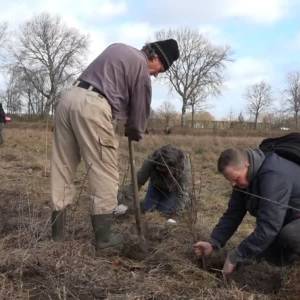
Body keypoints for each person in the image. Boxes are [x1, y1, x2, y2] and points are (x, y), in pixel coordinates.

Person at [51, 39, 180, 252]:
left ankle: (57, 236)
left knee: (62, 167)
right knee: (105, 172)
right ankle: (104, 238)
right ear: (156, 57)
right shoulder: (140, 65)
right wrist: (135, 130)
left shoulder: (117, 48)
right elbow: (140, 107)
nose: (156, 74)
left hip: (67, 99)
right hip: (92, 106)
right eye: (161, 69)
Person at [194, 147, 300, 276]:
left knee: (289, 236)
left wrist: (237, 255)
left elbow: (269, 226)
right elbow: (233, 214)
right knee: (260, 255)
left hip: (293, 221)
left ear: (247, 164)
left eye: (236, 179)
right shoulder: (243, 180)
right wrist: (213, 242)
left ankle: (294, 273)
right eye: (230, 181)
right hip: (286, 218)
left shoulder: (273, 176)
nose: (233, 184)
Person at [136, 144, 191, 216]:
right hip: (156, 185)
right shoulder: (151, 161)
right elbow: (137, 182)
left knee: (164, 213)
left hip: (173, 189)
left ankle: (188, 203)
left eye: (166, 172)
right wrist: (127, 203)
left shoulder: (184, 168)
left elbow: (182, 193)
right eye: (161, 171)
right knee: (147, 209)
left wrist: (175, 214)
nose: (163, 174)